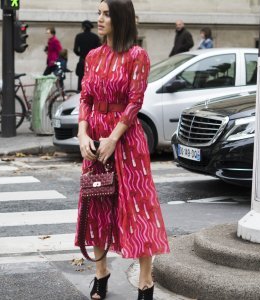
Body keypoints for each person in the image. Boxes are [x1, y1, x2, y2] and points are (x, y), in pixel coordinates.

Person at [75, 0, 170, 299]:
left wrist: (113, 139)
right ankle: (101, 273)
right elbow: (86, 98)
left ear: (120, 18)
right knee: (98, 206)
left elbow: (134, 102)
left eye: (106, 14)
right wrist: (82, 134)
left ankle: (145, 281)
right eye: (99, 14)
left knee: (137, 209)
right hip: (94, 142)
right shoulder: (93, 56)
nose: (100, 19)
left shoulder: (136, 55)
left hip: (125, 141)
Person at [74, 20, 101, 91]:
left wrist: (81, 54)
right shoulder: (95, 37)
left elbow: (75, 50)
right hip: (93, 62)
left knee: (81, 81)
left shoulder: (79, 36)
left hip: (82, 60)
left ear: (83, 27)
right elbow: (99, 50)